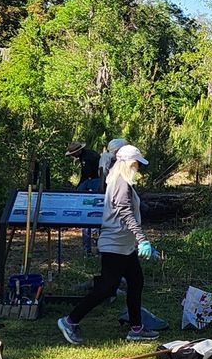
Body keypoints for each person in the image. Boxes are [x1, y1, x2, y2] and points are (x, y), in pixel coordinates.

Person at [57, 144, 159, 344]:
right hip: (115, 244)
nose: (138, 167)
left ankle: (136, 328)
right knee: (106, 288)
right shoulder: (121, 182)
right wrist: (142, 239)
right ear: (129, 163)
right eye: (137, 163)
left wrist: (138, 242)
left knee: (136, 282)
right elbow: (125, 212)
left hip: (124, 245)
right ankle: (70, 320)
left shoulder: (118, 180)